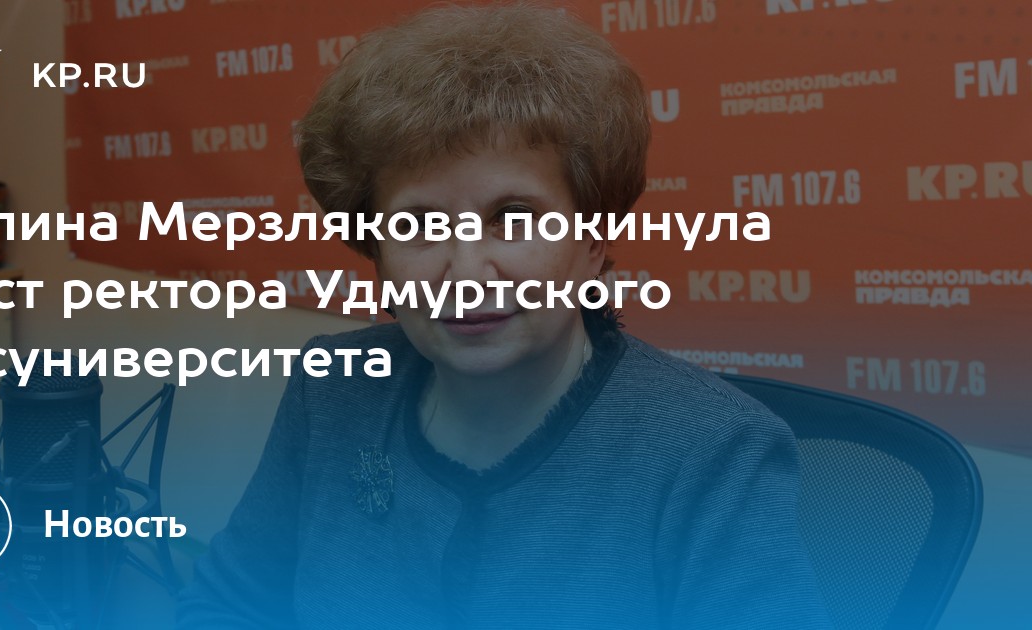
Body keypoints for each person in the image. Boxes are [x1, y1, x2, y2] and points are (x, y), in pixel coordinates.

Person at [178, 3, 830, 628]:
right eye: (417, 225)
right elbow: (229, 607)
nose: (465, 275)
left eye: (512, 218)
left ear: (593, 240)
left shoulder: (713, 449)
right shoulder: (332, 387)